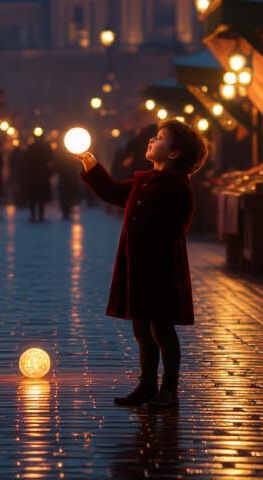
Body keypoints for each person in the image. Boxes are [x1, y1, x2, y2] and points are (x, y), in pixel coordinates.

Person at [77, 120, 207, 409]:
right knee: (141, 328)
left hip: (160, 269)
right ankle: (147, 385)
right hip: (136, 268)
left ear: (173, 154)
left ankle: (169, 389)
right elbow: (112, 192)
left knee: (161, 329)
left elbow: (174, 228)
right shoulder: (144, 180)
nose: (152, 139)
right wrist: (91, 163)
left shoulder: (177, 187)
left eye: (160, 138)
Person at [22, 134, 54, 222]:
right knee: (41, 198)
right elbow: (52, 159)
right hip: (42, 176)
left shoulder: (31, 148)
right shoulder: (46, 148)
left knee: (33, 198)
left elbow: (25, 161)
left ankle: (33, 216)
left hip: (33, 176)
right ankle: (40, 216)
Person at [56, 148, 81, 220]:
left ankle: (66, 211)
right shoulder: (72, 159)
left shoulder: (62, 159)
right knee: (68, 196)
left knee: (66, 196)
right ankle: (66, 211)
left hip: (66, 180)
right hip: (69, 180)